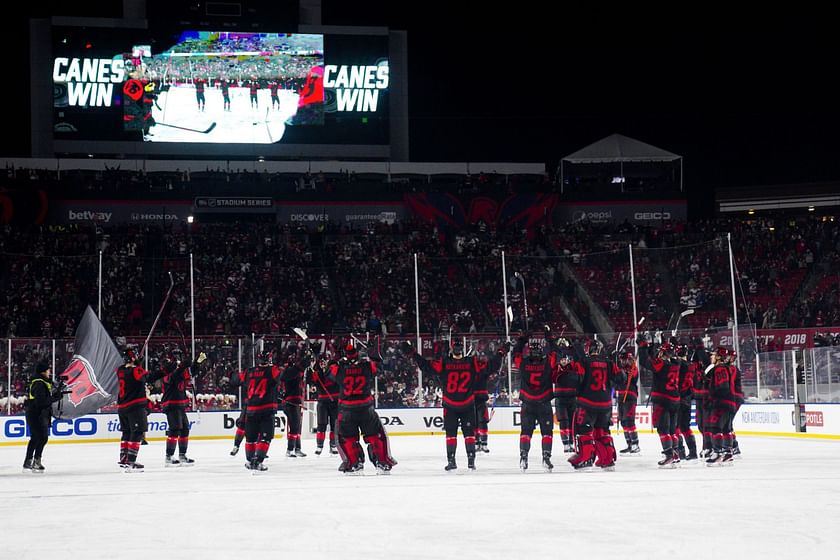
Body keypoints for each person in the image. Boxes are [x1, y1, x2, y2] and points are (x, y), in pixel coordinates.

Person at [413, 337, 491, 471]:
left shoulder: (444, 362)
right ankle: (471, 462)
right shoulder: (472, 362)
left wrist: (414, 354)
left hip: (450, 405)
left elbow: (427, 367)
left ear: (452, 347)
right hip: (467, 404)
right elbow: (489, 367)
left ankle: (451, 461)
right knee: (469, 434)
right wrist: (500, 354)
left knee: (450, 435)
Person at [327, 342, 396, 474]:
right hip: (366, 408)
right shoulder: (366, 366)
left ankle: (354, 464)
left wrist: (335, 356)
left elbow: (329, 371)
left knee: (347, 438)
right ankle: (382, 464)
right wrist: (373, 352)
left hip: (346, 409)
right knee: (375, 436)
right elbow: (378, 366)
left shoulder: (340, 368)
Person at [147, 349, 206, 466]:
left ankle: (182, 455)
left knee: (184, 429)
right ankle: (169, 456)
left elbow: (190, 373)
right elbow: (173, 378)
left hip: (180, 403)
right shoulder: (168, 371)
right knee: (175, 429)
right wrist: (181, 367)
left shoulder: (180, 370)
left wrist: (197, 363)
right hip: (171, 403)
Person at [567, 339, 619, 471]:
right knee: (602, 432)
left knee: (583, 431)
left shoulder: (584, 362)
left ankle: (585, 459)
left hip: (587, 403)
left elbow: (576, 379)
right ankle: (608, 459)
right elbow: (621, 378)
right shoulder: (608, 362)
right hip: (606, 404)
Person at [512, 330, 559, 472]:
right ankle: (546, 457)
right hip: (544, 403)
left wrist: (522, 340)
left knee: (526, 432)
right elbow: (556, 354)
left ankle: (523, 457)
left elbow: (516, 355)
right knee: (547, 432)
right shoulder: (547, 364)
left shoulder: (523, 364)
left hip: (528, 403)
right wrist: (550, 339)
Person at [229, 350, 283, 471]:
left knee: (251, 439)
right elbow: (282, 377)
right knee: (265, 437)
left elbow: (235, 380)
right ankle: (257, 461)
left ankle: (250, 460)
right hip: (266, 410)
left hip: (251, 410)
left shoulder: (249, 371)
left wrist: (232, 371)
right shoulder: (272, 370)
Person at [638, 339, 683, 468]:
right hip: (675, 400)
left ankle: (669, 455)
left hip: (663, 400)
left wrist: (642, 348)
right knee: (672, 430)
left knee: (663, 429)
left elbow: (645, 363)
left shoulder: (662, 364)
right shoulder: (676, 364)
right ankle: (675, 454)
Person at [22, 361, 63, 472]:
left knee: (37, 437)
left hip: (37, 413)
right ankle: (34, 461)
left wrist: (55, 396)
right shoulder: (39, 383)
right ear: (43, 371)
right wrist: (55, 398)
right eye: (48, 370)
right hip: (36, 413)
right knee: (40, 437)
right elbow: (41, 401)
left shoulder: (41, 382)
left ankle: (30, 461)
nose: (50, 372)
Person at [116, 349, 150, 471]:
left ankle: (124, 458)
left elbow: (132, 374)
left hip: (122, 407)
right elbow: (147, 377)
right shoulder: (135, 370)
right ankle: (131, 461)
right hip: (134, 406)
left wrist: (137, 364)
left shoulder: (120, 370)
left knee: (126, 432)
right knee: (137, 432)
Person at [306, 351, 339, 455]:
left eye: (325, 360)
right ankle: (319, 445)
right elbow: (311, 383)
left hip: (334, 401)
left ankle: (333, 445)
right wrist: (312, 381)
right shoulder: (315, 372)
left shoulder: (334, 369)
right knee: (321, 424)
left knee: (334, 425)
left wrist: (326, 372)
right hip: (322, 402)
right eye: (321, 361)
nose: (322, 363)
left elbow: (336, 379)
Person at [279, 345, 307, 457]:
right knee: (294, 426)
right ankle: (290, 449)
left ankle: (297, 448)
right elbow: (299, 368)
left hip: (296, 401)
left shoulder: (293, 371)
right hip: (290, 402)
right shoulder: (289, 371)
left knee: (297, 425)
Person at [613, 350, 641, 454]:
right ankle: (629, 444)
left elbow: (629, 378)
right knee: (623, 421)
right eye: (621, 360)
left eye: (624, 359)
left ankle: (635, 444)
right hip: (621, 396)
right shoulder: (620, 369)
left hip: (630, 396)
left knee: (629, 421)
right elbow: (615, 381)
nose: (623, 361)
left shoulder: (633, 369)